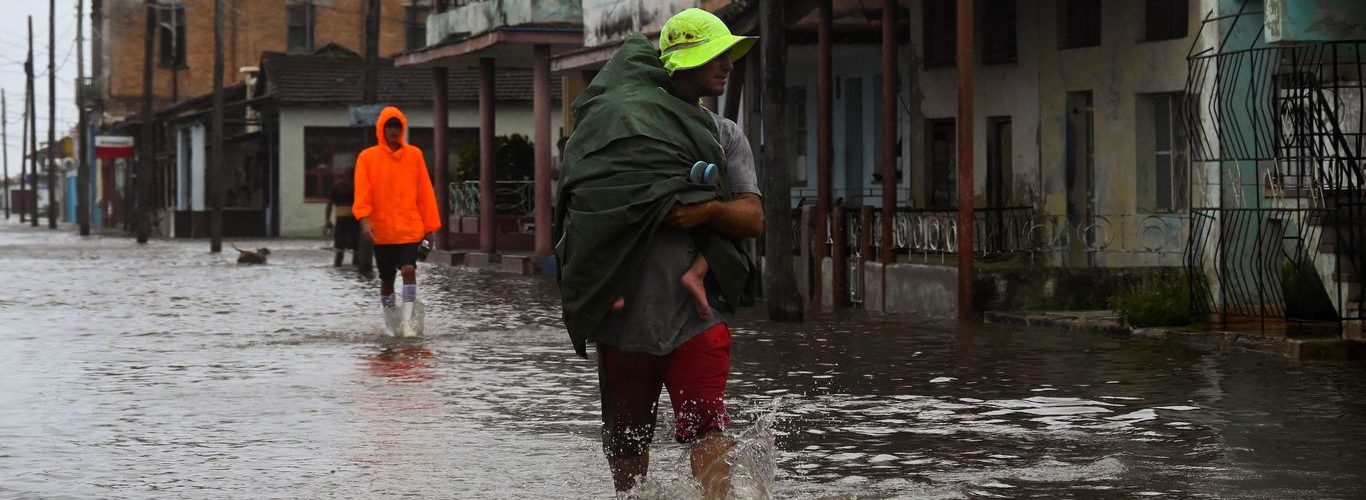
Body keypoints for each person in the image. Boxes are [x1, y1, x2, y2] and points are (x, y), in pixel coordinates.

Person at [554, 8, 762, 499]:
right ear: (680, 63)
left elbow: (752, 219)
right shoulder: (613, 134)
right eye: (715, 53)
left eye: (729, 53)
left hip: (698, 317)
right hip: (626, 316)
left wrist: (704, 212)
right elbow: (583, 217)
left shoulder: (724, 135)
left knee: (709, 429)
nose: (727, 63)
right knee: (627, 446)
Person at [353, 106, 442, 337]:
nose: (393, 130)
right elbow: (362, 191)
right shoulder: (367, 157)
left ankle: (408, 323)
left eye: (397, 126)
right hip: (382, 231)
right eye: (389, 126)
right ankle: (390, 324)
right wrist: (364, 219)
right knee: (386, 279)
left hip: (410, 228)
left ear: (402, 128)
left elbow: (425, 192)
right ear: (381, 128)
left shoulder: (414, 155)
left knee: (409, 269)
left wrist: (430, 228)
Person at [325, 167, 359, 267]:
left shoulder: (338, 186)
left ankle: (338, 265)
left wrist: (327, 220)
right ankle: (355, 268)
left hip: (341, 219)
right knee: (356, 249)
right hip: (354, 219)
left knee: (339, 248)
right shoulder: (357, 187)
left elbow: (329, 204)